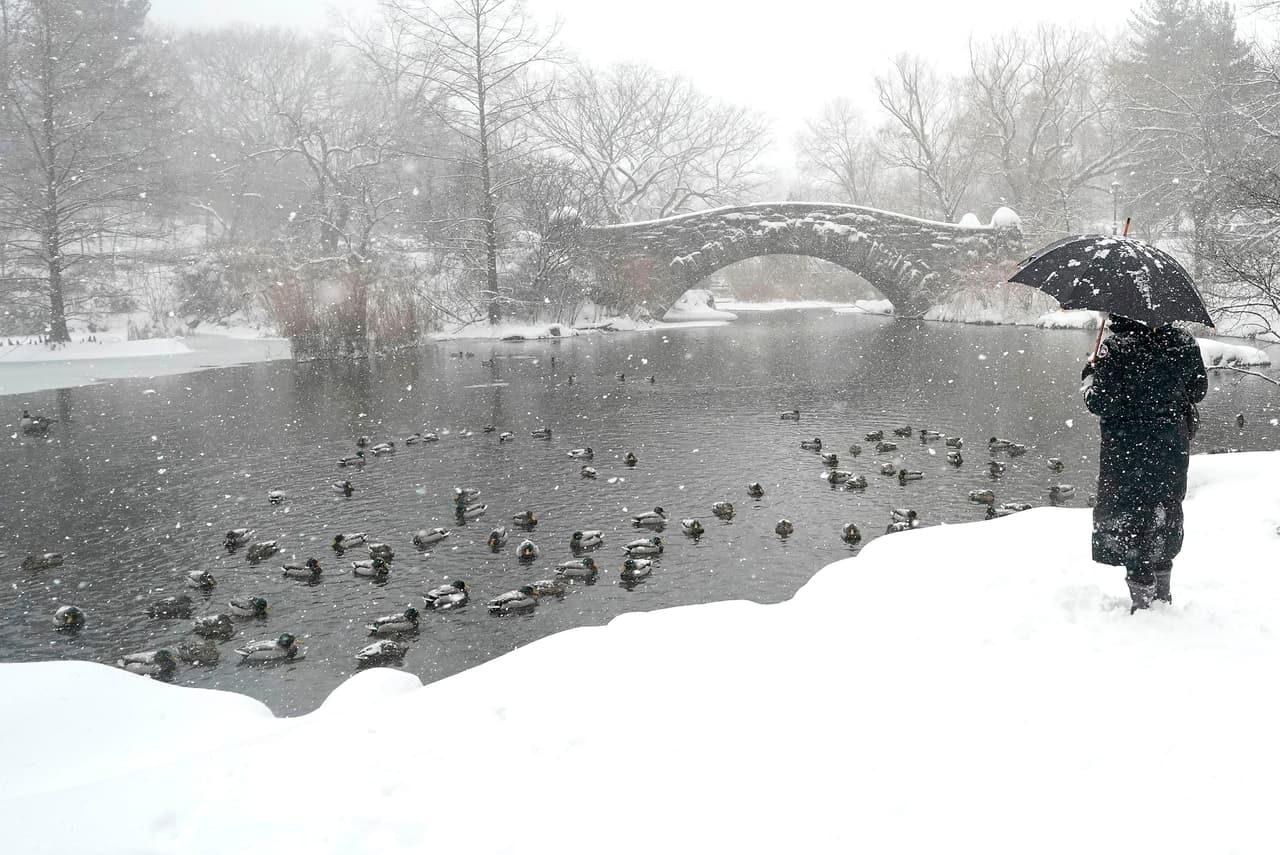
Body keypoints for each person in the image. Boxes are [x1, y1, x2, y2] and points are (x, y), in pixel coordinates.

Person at [1082, 314, 1207, 613]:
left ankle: (1142, 603)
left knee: (1131, 516)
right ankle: (1162, 595)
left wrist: (1090, 374)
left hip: (1126, 449)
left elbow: (1100, 402)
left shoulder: (1115, 348)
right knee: (1163, 510)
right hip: (1169, 446)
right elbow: (1198, 391)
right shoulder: (1184, 343)